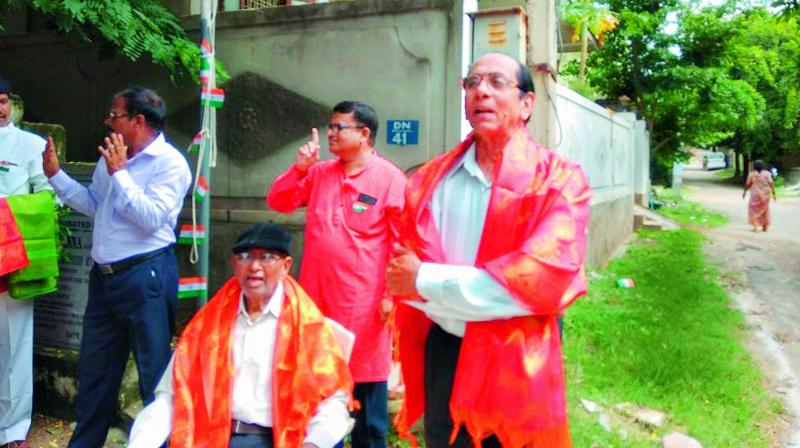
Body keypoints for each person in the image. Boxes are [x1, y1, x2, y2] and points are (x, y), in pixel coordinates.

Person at [385, 53, 591, 447]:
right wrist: (463, 292)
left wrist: (428, 281)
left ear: (527, 103)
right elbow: (403, 279)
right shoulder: (431, 180)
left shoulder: (559, 181)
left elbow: (540, 286)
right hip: (447, 350)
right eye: (473, 82)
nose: (481, 90)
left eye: (497, 82)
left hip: (517, 355)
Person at [42, 86, 192, 447]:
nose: (108, 122)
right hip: (105, 280)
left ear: (138, 121)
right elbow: (96, 205)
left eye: (115, 115)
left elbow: (152, 219)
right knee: (95, 372)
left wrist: (121, 173)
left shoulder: (170, 164)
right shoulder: (112, 156)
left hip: (146, 277)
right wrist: (55, 176)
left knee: (154, 374)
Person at [127, 222, 354, 448]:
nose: (254, 266)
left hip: (277, 439)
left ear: (286, 266)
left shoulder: (310, 329)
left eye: (266, 257)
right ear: (234, 263)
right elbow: (170, 398)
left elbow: (334, 403)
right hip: (211, 438)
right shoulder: (206, 327)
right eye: (245, 256)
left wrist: (313, 444)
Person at [267, 101, 406, 447]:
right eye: (329, 127)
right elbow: (279, 202)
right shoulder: (319, 172)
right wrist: (299, 170)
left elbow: (404, 242)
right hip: (317, 302)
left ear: (364, 134)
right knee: (319, 393)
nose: (331, 133)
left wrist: (392, 296)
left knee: (367, 399)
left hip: (365, 307)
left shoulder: (389, 178)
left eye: (339, 127)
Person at [0, 76, 52, 448]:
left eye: (2, 100)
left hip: (14, 258)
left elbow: (51, 196)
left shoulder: (31, 145)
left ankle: (13, 429)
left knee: (15, 344)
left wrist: (8, 215)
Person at [743, 159, 777, 232]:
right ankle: (765, 226)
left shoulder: (751, 174)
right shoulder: (767, 174)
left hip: (755, 194)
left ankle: (755, 225)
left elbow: (748, 184)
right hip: (765, 195)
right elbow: (771, 184)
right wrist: (774, 194)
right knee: (765, 210)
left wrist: (744, 192)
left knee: (753, 210)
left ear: (754, 166)